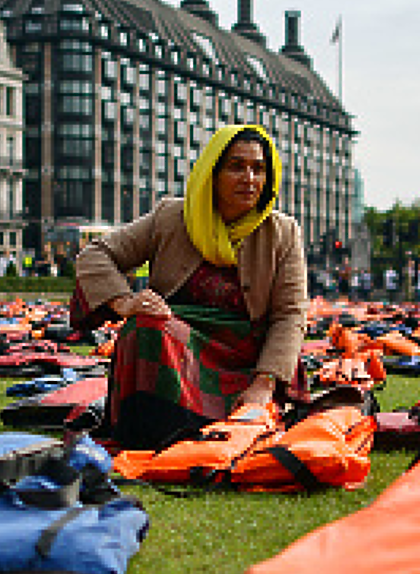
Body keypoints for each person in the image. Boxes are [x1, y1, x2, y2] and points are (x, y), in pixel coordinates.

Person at [72, 123, 307, 450]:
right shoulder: (171, 216)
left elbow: (290, 315)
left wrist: (265, 383)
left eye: (259, 169)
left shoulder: (283, 232)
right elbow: (95, 255)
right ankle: (158, 435)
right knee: (144, 326)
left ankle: (196, 433)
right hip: (176, 353)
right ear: (213, 172)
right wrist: (124, 301)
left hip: (248, 361)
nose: (249, 178)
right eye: (236, 166)